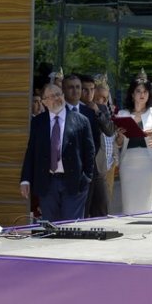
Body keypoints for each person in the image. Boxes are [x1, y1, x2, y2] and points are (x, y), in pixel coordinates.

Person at [19, 83, 95, 221]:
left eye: (58, 94)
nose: (56, 98)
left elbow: (90, 152)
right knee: (52, 227)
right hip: (47, 183)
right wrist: (25, 179)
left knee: (71, 226)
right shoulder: (38, 122)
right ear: (44, 102)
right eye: (51, 96)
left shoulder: (81, 121)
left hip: (74, 183)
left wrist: (86, 178)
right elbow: (31, 152)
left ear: (63, 96)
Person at [115, 71, 152, 214]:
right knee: (128, 202)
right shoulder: (122, 114)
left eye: (145, 91)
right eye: (138, 91)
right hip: (128, 162)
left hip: (148, 161)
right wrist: (120, 136)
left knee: (146, 201)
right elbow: (118, 144)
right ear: (132, 94)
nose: (142, 94)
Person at [63, 74, 110, 217]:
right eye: (85, 89)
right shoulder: (65, 110)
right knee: (83, 208)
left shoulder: (98, 109)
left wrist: (97, 112)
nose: (89, 93)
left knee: (101, 207)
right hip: (74, 167)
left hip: (95, 166)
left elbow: (109, 131)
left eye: (92, 89)